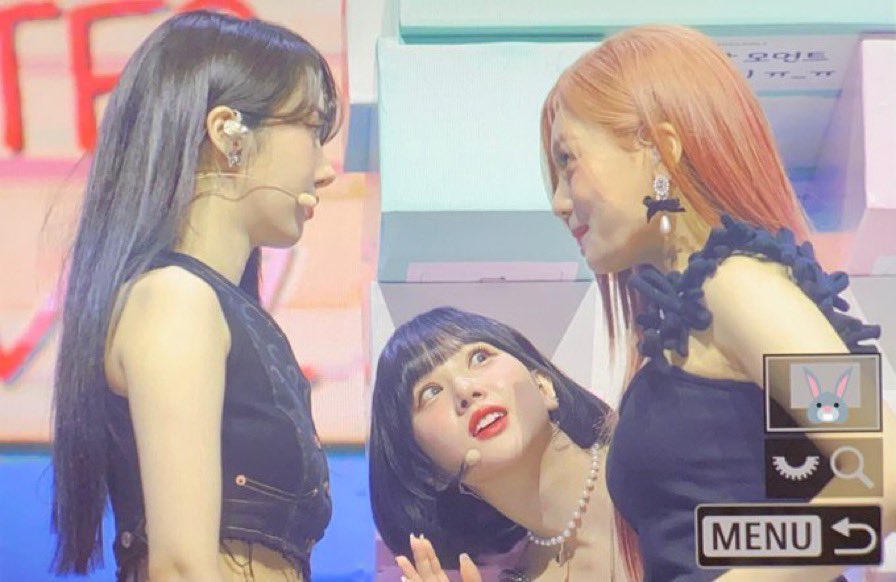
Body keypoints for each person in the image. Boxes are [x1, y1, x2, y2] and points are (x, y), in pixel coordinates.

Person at [541, 24, 895, 580]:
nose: (560, 202)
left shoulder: (739, 286)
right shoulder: (692, 312)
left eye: (568, 162)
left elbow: (883, 469)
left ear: (660, 149)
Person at [51, 10, 339, 581]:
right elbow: (182, 566)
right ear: (227, 132)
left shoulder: (206, 305)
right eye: (311, 130)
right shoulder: (175, 299)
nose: (325, 170)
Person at [368, 307, 630, 581]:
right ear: (427, 471)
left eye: (479, 357)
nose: (465, 390)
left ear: (543, 385)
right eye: (430, 392)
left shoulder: (650, 462)